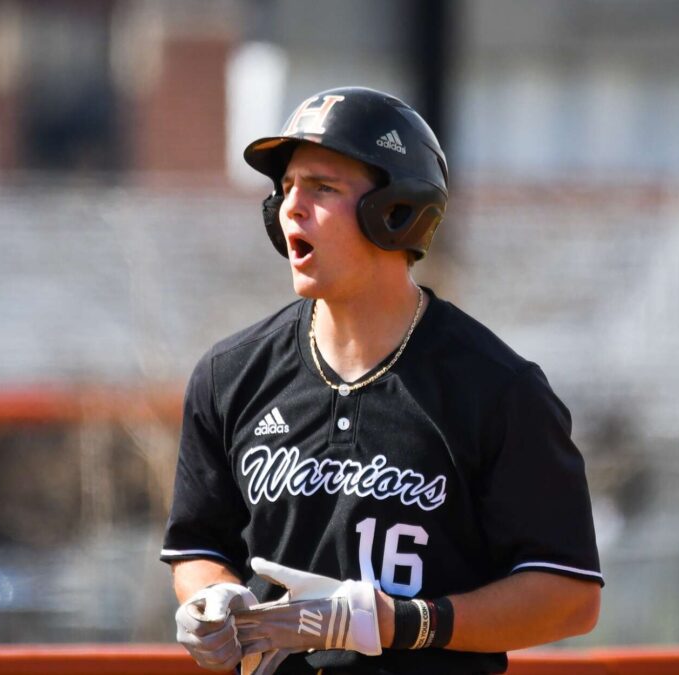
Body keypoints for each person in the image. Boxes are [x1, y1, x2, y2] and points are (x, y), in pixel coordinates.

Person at [161, 86, 603, 675]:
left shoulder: (497, 389)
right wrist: (210, 599)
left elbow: (570, 596)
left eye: (322, 187)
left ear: (396, 210)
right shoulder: (230, 375)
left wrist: (400, 622)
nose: (291, 206)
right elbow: (199, 549)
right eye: (286, 188)